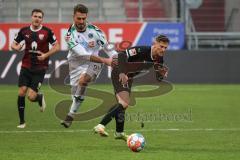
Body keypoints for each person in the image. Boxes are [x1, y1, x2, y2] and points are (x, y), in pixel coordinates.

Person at [93, 35, 170, 140]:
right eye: (161, 46)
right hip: (119, 72)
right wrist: (121, 73)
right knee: (124, 103)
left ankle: (119, 132)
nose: (163, 49)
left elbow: (158, 77)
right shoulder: (142, 50)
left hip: (129, 77)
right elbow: (121, 55)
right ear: (155, 43)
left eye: (165, 48)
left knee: (122, 104)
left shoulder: (159, 59)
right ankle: (100, 126)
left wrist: (162, 74)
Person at [60, 4, 117, 128]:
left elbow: (107, 47)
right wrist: (105, 61)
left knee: (84, 80)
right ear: (73, 17)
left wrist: (117, 58)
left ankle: (69, 116)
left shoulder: (95, 31)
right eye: (78, 18)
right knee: (76, 95)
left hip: (94, 63)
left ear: (86, 17)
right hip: (76, 63)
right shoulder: (70, 35)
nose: (81, 21)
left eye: (83, 18)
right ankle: (73, 111)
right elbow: (83, 54)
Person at [11, 9, 60, 128]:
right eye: (35, 16)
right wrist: (16, 48)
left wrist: (45, 55)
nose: (37, 19)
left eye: (39, 17)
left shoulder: (47, 31)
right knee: (22, 91)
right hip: (26, 66)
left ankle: (39, 97)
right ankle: (22, 122)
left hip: (40, 68)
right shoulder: (23, 31)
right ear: (31, 17)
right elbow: (13, 44)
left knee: (31, 96)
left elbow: (57, 46)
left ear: (42, 19)